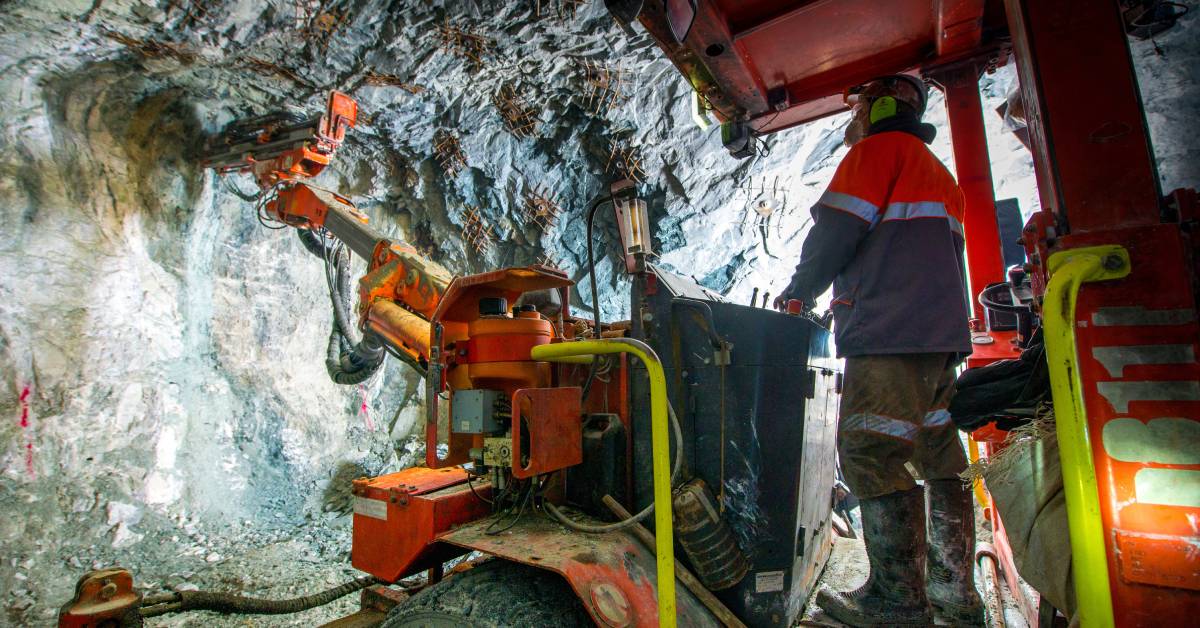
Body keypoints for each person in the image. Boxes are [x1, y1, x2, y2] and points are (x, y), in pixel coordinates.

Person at [773, 74, 983, 626]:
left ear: (880, 107)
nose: (857, 116)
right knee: (940, 458)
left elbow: (835, 235)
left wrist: (797, 292)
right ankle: (955, 594)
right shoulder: (939, 173)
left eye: (862, 104)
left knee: (869, 451)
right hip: (938, 341)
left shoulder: (876, 154)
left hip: (892, 333)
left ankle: (897, 600)